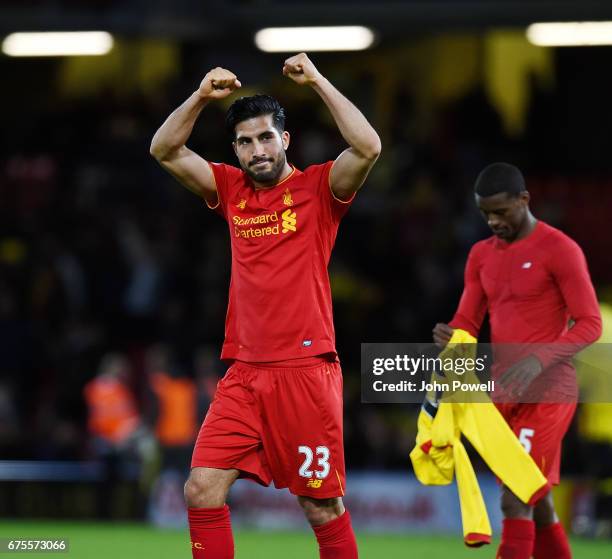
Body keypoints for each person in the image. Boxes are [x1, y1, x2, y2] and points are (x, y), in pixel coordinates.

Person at [150, 53, 381, 559]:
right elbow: (164, 149)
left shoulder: (319, 189)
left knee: (320, 507)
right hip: (244, 373)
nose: (256, 150)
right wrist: (201, 97)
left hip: (305, 370)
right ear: (234, 149)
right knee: (200, 489)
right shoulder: (230, 190)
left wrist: (317, 80)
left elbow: (367, 146)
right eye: (245, 142)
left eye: (265, 138)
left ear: (285, 139)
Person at [432, 162, 602, 559]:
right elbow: (468, 321)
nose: (493, 221)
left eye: (501, 211)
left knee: (514, 496)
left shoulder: (559, 249)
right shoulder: (480, 255)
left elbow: (590, 323)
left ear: (524, 200)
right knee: (537, 501)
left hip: (548, 391)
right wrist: (451, 336)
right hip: (502, 390)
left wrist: (538, 360)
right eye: (485, 213)